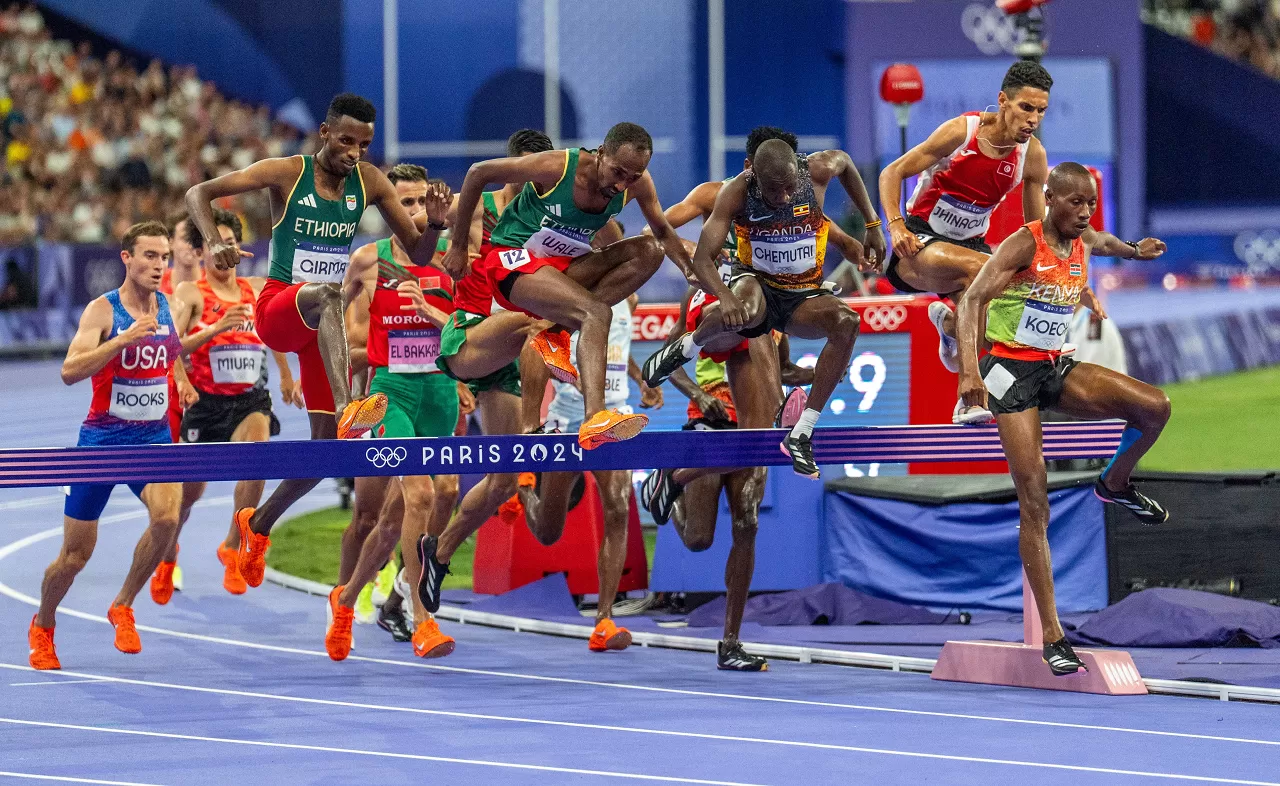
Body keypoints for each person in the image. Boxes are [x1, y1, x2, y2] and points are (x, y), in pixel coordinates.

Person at [185, 93, 449, 590]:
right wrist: (214, 240)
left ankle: (256, 526)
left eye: (365, 145)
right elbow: (198, 193)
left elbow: (417, 252)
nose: (355, 153)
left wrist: (432, 224)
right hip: (282, 309)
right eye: (346, 141)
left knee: (324, 453)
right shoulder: (286, 172)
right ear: (325, 133)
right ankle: (352, 406)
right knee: (328, 293)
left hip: (320, 336)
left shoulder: (369, 183)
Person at [954, 162, 1170, 676]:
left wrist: (1136, 249)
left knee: (1155, 407)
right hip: (1008, 372)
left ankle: (1114, 482)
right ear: (1050, 198)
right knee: (1035, 500)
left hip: (1054, 365)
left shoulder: (1084, 237)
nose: (1084, 213)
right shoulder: (1022, 245)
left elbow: (1107, 241)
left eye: (1090, 204)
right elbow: (972, 300)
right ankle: (1054, 634)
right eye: (1075, 203)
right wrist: (970, 374)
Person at [435, 122, 691, 450]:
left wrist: (690, 270)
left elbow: (653, 238)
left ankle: (556, 335)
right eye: (617, 172)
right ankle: (578, 417)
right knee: (585, 314)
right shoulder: (549, 172)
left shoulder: (617, 198)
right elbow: (473, 176)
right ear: (600, 155)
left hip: (547, 289)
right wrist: (453, 243)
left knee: (647, 253)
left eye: (632, 177)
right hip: (497, 289)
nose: (622, 184)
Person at [641, 139, 869, 478]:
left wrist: (871, 226)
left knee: (847, 322)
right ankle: (685, 349)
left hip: (795, 293)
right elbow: (663, 235)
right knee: (749, 310)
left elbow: (843, 170)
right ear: (752, 172)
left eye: (790, 187)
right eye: (776, 190)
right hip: (740, 284)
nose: (785, 198)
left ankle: (801, 431)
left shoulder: (813, 175)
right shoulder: (728, 193)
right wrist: (719, 285)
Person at [28, 222, 190, 669]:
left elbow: (171, 351)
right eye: (150, 256)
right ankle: (43, 624)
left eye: (164, 258)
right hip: (100, 441)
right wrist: (120, 340)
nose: (159, 265)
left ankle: (122, 605)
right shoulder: (102, 311)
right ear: (127, 259)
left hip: (152, 438)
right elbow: (69, 371)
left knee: (168, 519)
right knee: (75, 557)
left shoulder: (168, 307)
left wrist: (181, 381)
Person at [323, 163, 459, 661]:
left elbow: (469, 321)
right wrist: (343, 388)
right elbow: (330, 318)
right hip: (391, 393)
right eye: (405, 203)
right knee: (419, 495)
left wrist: (440, 326)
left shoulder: (448, 256)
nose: (417, 211)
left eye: (423, 201)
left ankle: (346, 598)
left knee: (408, 514)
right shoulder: (367, 260)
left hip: (440, 392)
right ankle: (421, 619)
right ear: (387, 208)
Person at [877, 61, 1054, 423]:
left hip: (970, 249)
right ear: (1003, 101)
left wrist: (1055, 275)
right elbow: (891, 172)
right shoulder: (962, 132)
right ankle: (970, 392)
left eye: (1040, 111)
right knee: (984, 270)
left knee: (991, 321)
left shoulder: (1031, 156)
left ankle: (948, 329)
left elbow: (1037, 229)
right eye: (1025, 108)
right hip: (918, 243)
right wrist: (895, 227)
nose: (1033, 119)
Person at [148, 208, 300, 602]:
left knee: (258, 457)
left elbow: (272, 333)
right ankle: (167, 557)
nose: (224, 252)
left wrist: (285, 374)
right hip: (207, 403)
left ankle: (233, 545)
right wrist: (216, 328)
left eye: (230, 244)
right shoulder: (190, 293)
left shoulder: (255, 287)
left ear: (240, 249)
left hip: (250, 398)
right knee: (188, 494)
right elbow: (170, 347)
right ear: (203, 252)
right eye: (216, 246)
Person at [509, 293, 663, 651]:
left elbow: (617, 350)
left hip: (614, 416)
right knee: (549, 532)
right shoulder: (568, 296)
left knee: (619, 508)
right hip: (569, 419)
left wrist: (641, 380)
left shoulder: (633, 299)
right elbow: (540, 347)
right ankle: (522, 488)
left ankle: (603, 619)